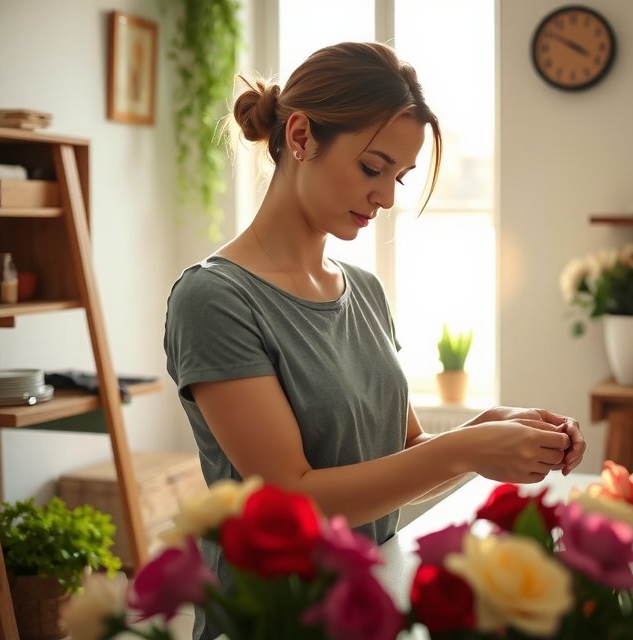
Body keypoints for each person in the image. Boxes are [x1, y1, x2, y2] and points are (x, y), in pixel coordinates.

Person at [164, 41, 585, 638]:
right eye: (372, 167)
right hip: (272, 619)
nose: (387, 197)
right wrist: (469, 448)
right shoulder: (215, 300)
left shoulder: (363, 290)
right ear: (302, 136)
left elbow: (404, 453)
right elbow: (293, 497)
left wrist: (491, 428)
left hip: (367, 605)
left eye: (400, 177)